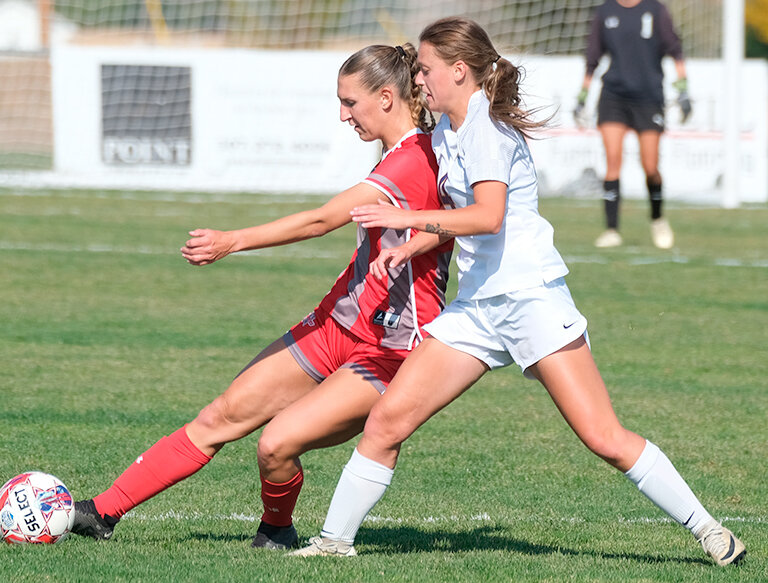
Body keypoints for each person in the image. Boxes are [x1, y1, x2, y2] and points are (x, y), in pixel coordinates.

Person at [290, 17, 745, 567]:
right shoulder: (447, 132)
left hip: (530, 299)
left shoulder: (486, 129)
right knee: (388, 420)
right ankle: (334, 542)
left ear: (459, 71)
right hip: (478, 308)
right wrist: (410, 246)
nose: (420, 81)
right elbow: (461, 216)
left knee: (603, 436)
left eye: (427, 70)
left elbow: (488, 216)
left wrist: (404, 217)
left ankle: (711, 531)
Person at [69, 43, 453, 550]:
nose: (342, 115)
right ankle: (101, 512)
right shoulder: (402, 154)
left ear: (386, 98)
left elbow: (322, 221)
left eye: (350, 103)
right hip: (335, 324)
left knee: (275, 445)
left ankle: (276, 528)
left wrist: (233, 240)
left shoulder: (414, 159)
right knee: (221, 415)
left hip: (392, 348)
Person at [573, 0, 691, 249]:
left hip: (649, 97)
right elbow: (593, 57)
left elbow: (675, 50)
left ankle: (657, 218)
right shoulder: (606, 11)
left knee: (650, 166)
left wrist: (683, 90)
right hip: (613, 96)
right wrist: (583, 97)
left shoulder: (656, 9)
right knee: (613, 161)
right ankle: (612, 230)